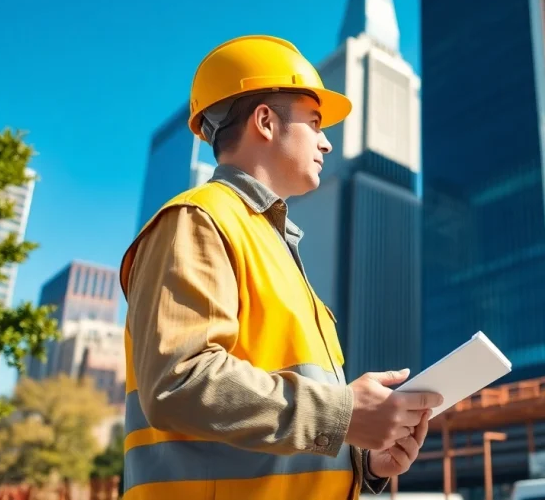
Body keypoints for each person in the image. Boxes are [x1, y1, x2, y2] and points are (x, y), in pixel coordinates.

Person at [118, 35, 443, 499]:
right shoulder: (198, 220)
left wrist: (363, 459)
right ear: (265, 122)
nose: (327, 143)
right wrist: (344, 413)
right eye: (315, 123)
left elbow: (275, 429)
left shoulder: (272, 245)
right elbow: (179, 381)